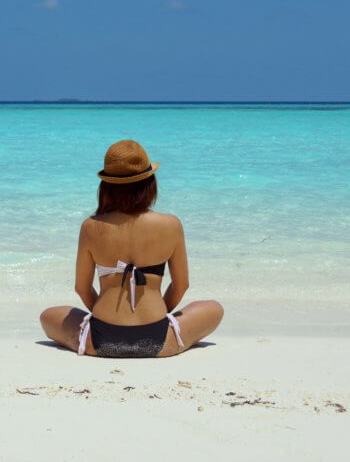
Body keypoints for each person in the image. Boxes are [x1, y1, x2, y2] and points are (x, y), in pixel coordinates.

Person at [39, 139, 224, 357]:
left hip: (101, 339)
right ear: (150, 184)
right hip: (159, 338)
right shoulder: (170, 224)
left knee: (47, 316)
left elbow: (82, 288)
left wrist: (109, 316)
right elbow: (181, 285)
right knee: (214, 308)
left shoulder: (91, 226)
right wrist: (156, 314)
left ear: (106, 187)